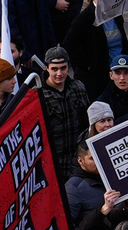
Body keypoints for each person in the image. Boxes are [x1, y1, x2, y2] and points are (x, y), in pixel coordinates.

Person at [62, 0, 128, 104]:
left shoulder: (115, 15)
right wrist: (86, 65)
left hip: (119, 70)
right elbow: (69, 44)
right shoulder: (84, 18)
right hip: (97, 77)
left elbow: (123, 40)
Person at [40, 47, 89, 184]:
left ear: (69, 66)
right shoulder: (39, 95)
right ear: (47, 68)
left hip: (76, 162)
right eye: (54, 69)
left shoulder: (78, 88)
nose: (59, 73)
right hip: (52, 164)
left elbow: (86, 124)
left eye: (63, 68)